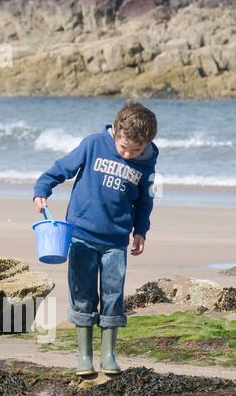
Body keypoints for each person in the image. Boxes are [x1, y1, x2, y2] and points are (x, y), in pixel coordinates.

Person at [33, 101, 159, 378]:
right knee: (82, 294)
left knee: (113, 296)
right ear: (115, 130)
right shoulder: (93, 145)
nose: (128, 154)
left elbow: (145, 201)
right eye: (123, 147)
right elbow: (61, 168)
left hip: (116, 240)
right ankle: (84, 356)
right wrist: (42, 188)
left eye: (135, 150)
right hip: (81, 235)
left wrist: (141, 230)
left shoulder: (147, 160)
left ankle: (108, 354)